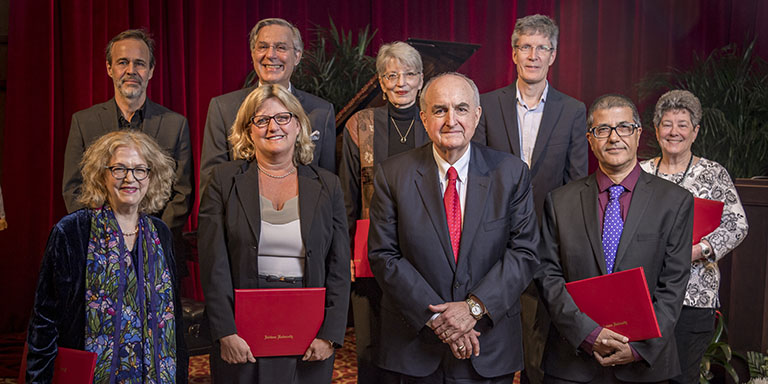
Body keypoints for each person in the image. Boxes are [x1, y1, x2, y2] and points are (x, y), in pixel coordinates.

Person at [367, 72, 539, 383]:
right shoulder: (392, 174)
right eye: (439, 110)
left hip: (488, 343)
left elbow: (524, 252)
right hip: (414, 346)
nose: (451, 120)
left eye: (461, 109)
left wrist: (473, 309)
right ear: (423, 117)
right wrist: (438, 318)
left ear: (476, 115)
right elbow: (384, 255)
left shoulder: (511, 173)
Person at [535, 94, 693, 383]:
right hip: (572, 362)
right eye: (602, 130)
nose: (614, 138)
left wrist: (638, 349)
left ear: (638, 133)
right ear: (590, 139)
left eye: (624, 127)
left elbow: (674, 284)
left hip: (645, 365)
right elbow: (548, 277)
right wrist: (588, 334)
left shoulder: (675, 201)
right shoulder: (559, 202)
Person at [198, 84, 349, 383]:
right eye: (261, 120)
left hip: (310, 332)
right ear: (248, 130)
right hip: (241, 331)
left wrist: (330, 335)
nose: (273, 127)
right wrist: (225, 331)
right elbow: (213, 263)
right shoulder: (223, 180)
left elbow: (339, 267)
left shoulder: (328, 185)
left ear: (298, 126)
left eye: (283, 118)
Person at [471, 16, 587, 382]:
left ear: (553, 55)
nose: (533, 55)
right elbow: (478, 176)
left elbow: (576, 184)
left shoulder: (572, 110)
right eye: (526, 47)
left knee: (538, 347)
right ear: (514, 53)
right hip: (493, 243)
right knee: (491, 342)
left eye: (542, 48)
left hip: (548, 244)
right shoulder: (486, 106)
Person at [26, 131, 187, 383]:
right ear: (102, 175)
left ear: (151, 177)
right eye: (119, 169)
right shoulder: (71, 232)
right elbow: (45, 321)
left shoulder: (161, 233)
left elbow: (173, 320)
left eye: (139, 169)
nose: (130, 178)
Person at [640, 90, 748, 384]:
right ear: (656, 128)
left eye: (683, 124)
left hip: (695, 295)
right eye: (667, 124)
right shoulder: (640, 172)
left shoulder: (714, 174)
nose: (674, 132)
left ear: (696, 131)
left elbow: (737, 225)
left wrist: (699, 249)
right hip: (646, 296)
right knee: (641, 375)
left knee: (682, 378)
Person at [338, 40, 429, 384]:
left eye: (409, 74)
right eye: (392, 75)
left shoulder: (436, 122)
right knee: (371, 349)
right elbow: (347, 198)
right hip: (370, 250)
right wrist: (345, 252)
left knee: (421, 344)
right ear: (380, 81)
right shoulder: (359, 126)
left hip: (426, 251)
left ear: (422, 79)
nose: (401, 82)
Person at [62, 29, 194, 252]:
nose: (131, 71)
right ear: (109, 68)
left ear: (151, 71)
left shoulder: (176, 125)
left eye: (140, 63)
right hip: (98, 248)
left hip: (157, 249)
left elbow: (183, 193)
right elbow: (73, 189)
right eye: (123, 62)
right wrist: (106, 235)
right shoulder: (83, 122)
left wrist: (152, 236)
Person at [200, 17, 336, 197]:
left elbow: (328, 186)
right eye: (262, 47)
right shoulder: (222, 108)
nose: (271, 55)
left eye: (281, 47)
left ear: (297, 56)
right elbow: (211, 185)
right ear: (252, 53)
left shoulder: (321, 112)